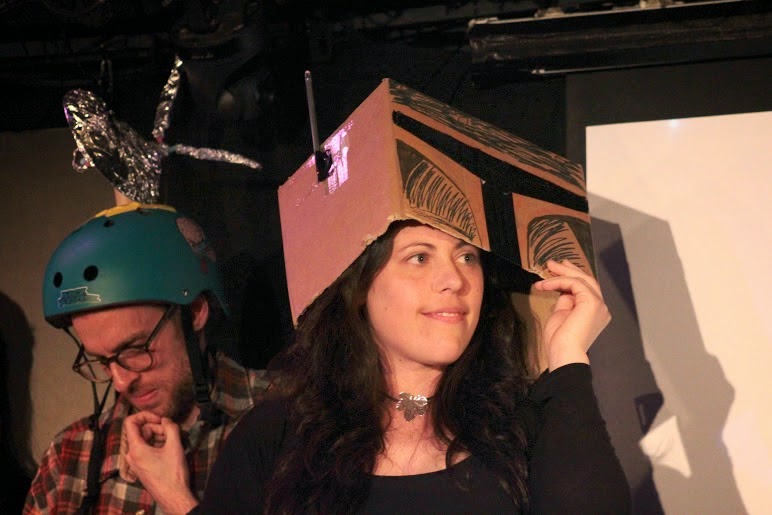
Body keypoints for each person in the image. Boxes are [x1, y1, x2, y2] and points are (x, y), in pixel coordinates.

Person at [197, 219, 631, 514]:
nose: (455, 280)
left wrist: (568, 356)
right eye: (420, 257)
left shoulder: (521, 428)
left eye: (467, 257)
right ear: (360, 286)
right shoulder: (277, 436)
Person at [24, 202, 270, 514]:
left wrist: (176, 499)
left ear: (195, 313)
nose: (121, 382)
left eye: (135, 350)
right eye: (103, 361)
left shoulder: (288, 418)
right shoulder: (68, 460)